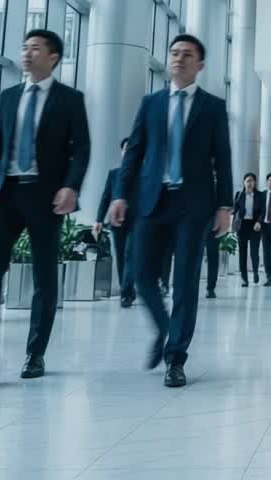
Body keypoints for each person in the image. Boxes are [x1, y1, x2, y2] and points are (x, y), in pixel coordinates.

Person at [0, 29, 91, 392]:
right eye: (25, 48)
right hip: (5, 195)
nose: (27, 53)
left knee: (44, 278)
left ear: (53, 57)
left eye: (35, 49)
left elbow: (81, 150)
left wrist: (70, 186)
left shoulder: (70, 99)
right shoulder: (8, 97)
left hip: (46, 197)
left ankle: (35, 353)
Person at [108, 34, 232, 388]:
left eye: (187, 54)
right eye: (174, 53)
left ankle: (176, 358)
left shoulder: (212, 106)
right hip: (153, 200)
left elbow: (223, 158)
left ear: (200, 65)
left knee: (185, 282)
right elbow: (134, 152)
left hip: (194, 204)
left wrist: (225, 205)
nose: (179, 58)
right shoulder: (151, 103)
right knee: (141, 275)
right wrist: (120, 195)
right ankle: (165, 328)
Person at [95, 139, 136, 307]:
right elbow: (105, 198)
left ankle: (126, 293)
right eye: (125, 149)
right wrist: (99, 219)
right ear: (121, 151)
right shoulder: (114, 174)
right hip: (116, 221)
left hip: (135, 221)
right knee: (120, 256)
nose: (128, 152)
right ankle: (126, 289)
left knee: (130, 255)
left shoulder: (142, 172)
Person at [233, 173, 266, 287]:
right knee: (242, 252)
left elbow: (263, 211)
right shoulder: (239, 195)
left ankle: (255, 271)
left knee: (254, 252)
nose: (249, 183)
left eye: (252, 180)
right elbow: (235, 209)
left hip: (255, 225)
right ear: (244, 182)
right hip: (242, 226)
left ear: (255, 182)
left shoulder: (260, 195)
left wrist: (259, 222)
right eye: (247, 180)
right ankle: (244, 278)